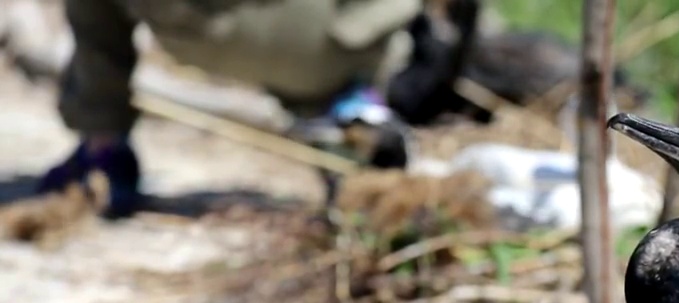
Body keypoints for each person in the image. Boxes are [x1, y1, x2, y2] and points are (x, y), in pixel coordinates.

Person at [36, 0, 425, 218]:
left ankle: (104, 148)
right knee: (368, 38)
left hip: (195, 30)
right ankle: (354, 113)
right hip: (328, 43)